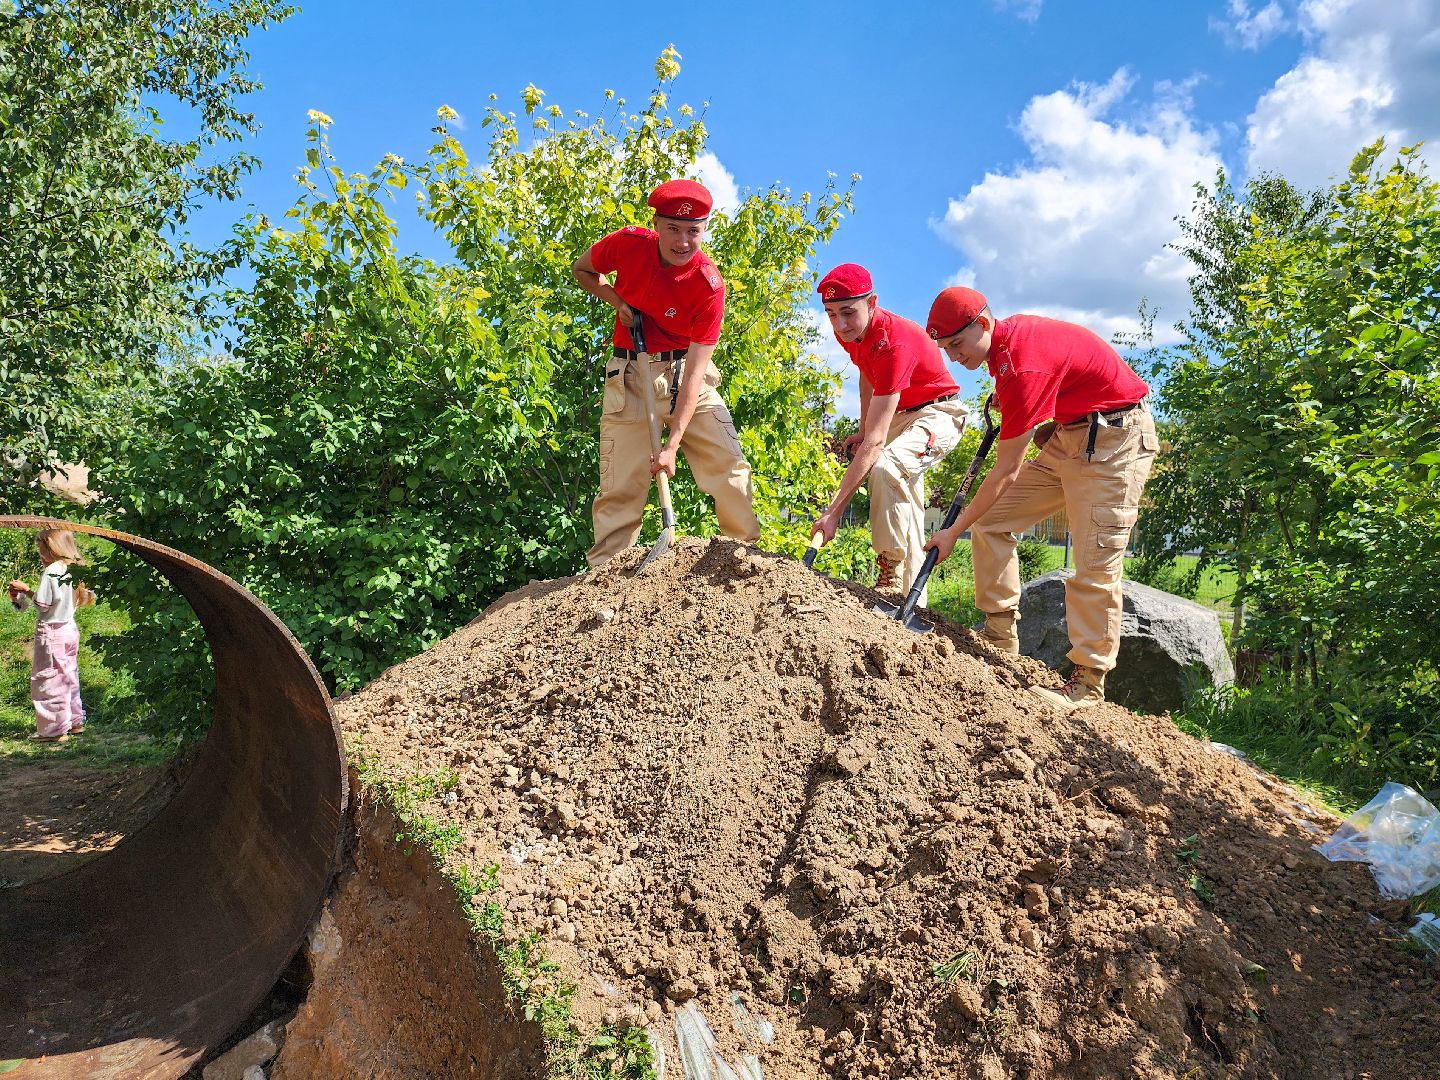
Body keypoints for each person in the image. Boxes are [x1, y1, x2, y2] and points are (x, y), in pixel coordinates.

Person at [923, 287, 1158, 712]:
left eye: (957, 343)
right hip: (1070, 438)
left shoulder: (1024, 364)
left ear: (984, 323)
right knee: (993, 521)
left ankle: (1088, 684)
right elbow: (1054, 379)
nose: (952, 356)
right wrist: (1008, 401)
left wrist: (951, 531)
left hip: (1113, 443)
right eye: (944, 348)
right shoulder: (1007, 352)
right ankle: (999, 634)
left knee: (1094, 565)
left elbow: (1006, 469)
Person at [571, 179, 761, 567]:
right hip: (630, 375)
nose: (683, 241)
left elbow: (695, 376)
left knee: (729, 468)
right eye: (673, 229)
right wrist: (617, 301)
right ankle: (606, 578)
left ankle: (744, 563)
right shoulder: (626, 245)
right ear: (656, 223)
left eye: (693, 231)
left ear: (705, 229)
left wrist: (672, 444)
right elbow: (583, 269)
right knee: (619, 487)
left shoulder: (709, 285)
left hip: (686, 372)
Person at [809, 263, 968, 602]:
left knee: (883, 467)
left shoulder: (894, 342)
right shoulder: (850, 333)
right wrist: (864, 425)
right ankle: (913, 605)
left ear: (872, 302)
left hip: (939, 413)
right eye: (831, 314)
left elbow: (877, 443)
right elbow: (867, 372)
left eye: (848, 312)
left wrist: (833, 511)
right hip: (899, 415)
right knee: (904, 508)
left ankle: (890, 573)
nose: (839, 324)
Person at [8, 528, 91, 741]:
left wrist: (25, 590)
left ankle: (53, 730)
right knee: (68, 675)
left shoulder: (52, 570)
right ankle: (75, 722)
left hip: (52, 631)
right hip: (69, 628)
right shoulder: (72, 567)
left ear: (51, 547)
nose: (38, 551)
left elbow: (42, 604)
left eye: (40, 547)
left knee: (49, 679)